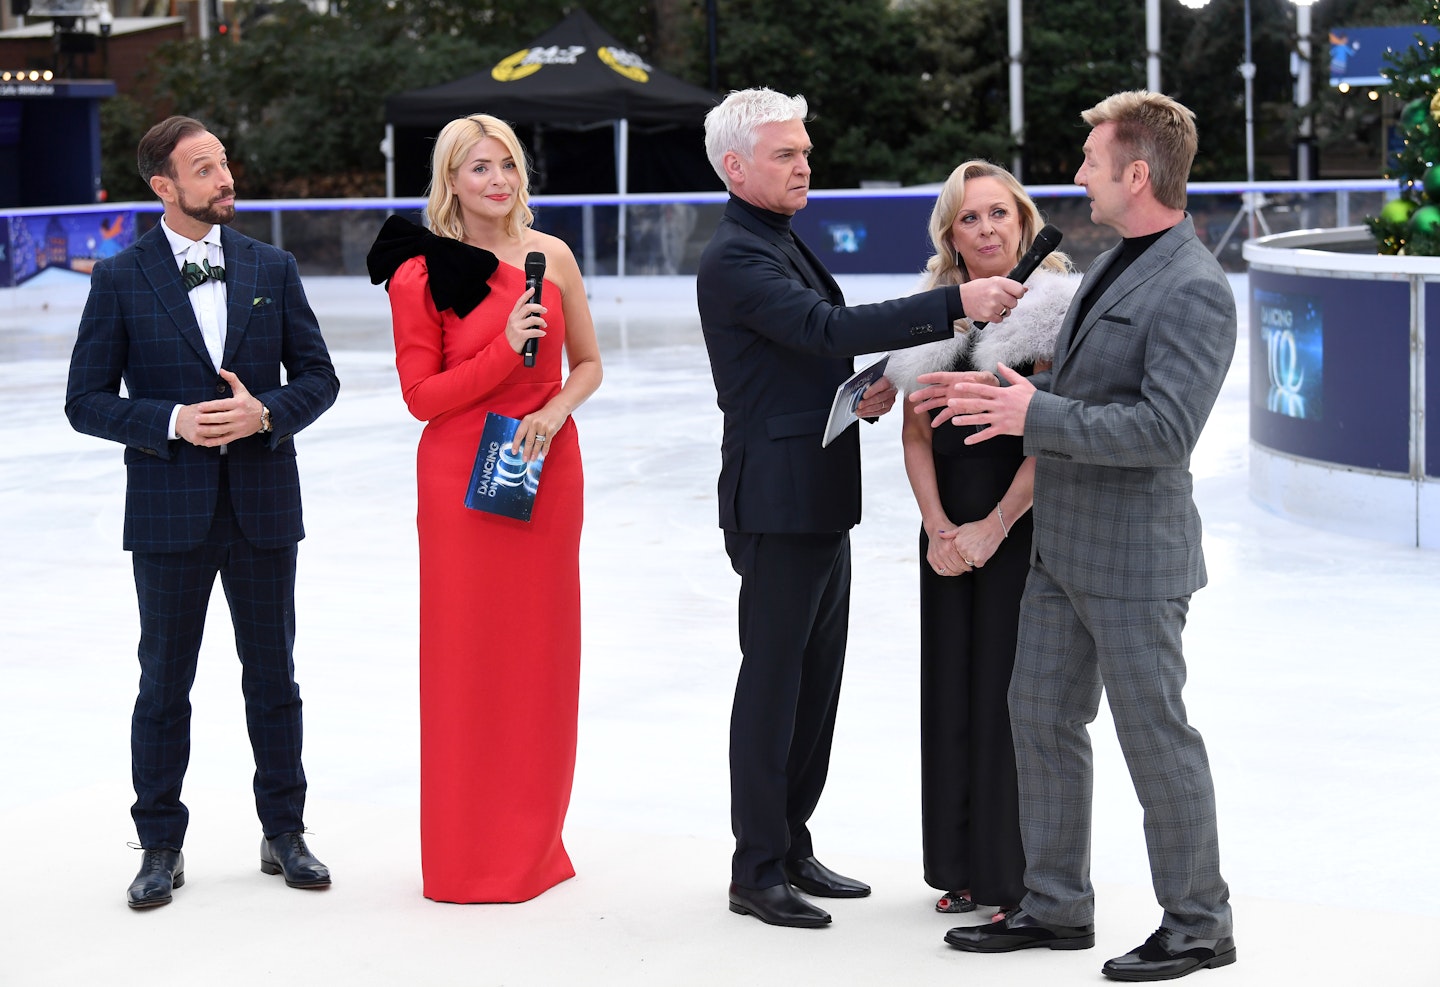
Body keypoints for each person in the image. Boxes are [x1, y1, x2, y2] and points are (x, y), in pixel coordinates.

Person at [914, 91, 1237, 982]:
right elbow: (1074, 388)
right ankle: (1055, 904)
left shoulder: (1194, 287)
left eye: (1092, 161)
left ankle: (1200, 922)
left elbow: (1164, 432)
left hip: (1135, 560)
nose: (1079, 174)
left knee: (1155, 738)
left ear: (1138, 174)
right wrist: (985, 393)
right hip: (1064, 546)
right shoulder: (1106, 263)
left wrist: (1033, 413)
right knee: (1041, 720)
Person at [696, 87, 1026, 929]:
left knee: (814, 685)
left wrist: (864, 390)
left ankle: (791, 841)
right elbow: (820, 326)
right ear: (735, 166)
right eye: (785, 153)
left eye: (805, 149)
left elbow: (808, 352)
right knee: (773, 685)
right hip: (776, 501)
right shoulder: (737, 254)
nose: (805, 163)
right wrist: (955, 303)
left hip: (818, 494)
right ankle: (756, 865)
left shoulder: (776, 239)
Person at [65, 115, 340, 909]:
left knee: (274, 679)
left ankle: (284, 830)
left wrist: (266, 414)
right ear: (164, 187)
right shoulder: (118, 277)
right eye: (204, 167)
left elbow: (319, 377)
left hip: (262, 505)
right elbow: (84, 401)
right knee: (163, 685)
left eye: (223, 161)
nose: (225, 178)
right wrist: (168, 421)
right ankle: (158, 844)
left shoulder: (272, 265)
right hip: (167, 510)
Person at [365, 114, 602, 903]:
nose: (497, 180)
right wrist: (504, 345)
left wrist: (556, 410)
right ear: (450, 181)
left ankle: (533, 844)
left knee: (540, 656)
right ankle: (469, 855)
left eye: (506, 164)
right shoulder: (419, 273)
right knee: (470, 661)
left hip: (544, 463)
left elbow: (590, 365)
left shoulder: (553, 255)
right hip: (462, 476)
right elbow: (421, 398)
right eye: (478, 168)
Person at [883, 161, 1078, 920]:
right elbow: (914, 433)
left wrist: (993, 527)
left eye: (999, 213)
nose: (987, 229)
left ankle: (1013, 876)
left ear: (1023, 221)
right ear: (950, 233)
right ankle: (962, 864)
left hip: (1019, 529)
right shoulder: (935, 310)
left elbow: (1050, 437)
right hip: (946, 538)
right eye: (970, 217)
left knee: (1010, 701)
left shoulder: (1058, 307)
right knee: (953, 693)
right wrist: (939, 529)